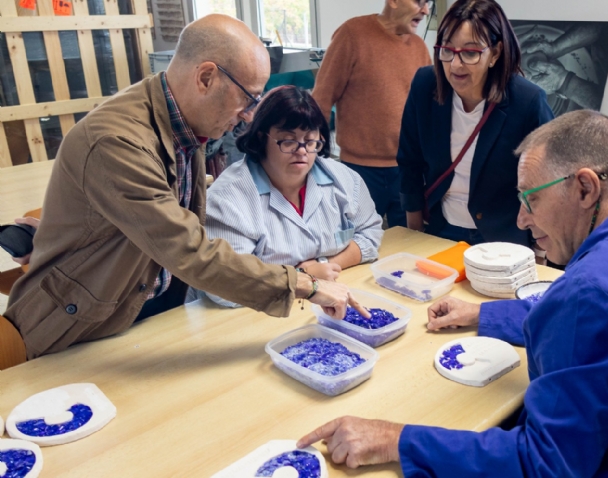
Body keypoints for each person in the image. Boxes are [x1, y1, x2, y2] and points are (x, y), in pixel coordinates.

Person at [297, 110, 608, 477]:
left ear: (585, 187)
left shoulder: (592, 295)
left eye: (531, 199)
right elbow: (604, 329)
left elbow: (543, 466)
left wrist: (396, 438)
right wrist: (482, 316)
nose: (524, 220)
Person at [4, 15, 366, 360]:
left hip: (147, 307)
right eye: (249, 98)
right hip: (83, 325)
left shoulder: (185, 123)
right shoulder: (117, 141)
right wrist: (307, 286)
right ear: (207, 77)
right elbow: (189, 250)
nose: (250, 115)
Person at [192, 86, 383, 307]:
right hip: (250, 315)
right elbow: (226, 287)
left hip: (324, 299)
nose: (302, 151)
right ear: (262, 138)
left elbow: (370, 234)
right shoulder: (228, 199)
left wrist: (324, 266)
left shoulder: (343, 179)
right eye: (289, 141)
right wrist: (302, 276)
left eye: (310, 141)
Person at [398, 0, 554, 246]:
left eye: (470, 53)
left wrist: (541, 247)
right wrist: (414, 231)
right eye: (447, 50)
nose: (455, 64)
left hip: (503, 237)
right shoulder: (424, 85)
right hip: (441, 228)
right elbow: (410, 160)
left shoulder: (527, 102)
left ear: (495, 53)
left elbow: (547, 181)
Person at [312, 0, 432, 228]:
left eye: (428, 3)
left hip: (407, 170)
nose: (425, 10)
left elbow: (430, 109)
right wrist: (314, 157)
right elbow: (322, 98)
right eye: (419, 1)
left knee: (409, 244)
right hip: (359, 171)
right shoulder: (352, 34)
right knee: (357, 243)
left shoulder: (419, 48)